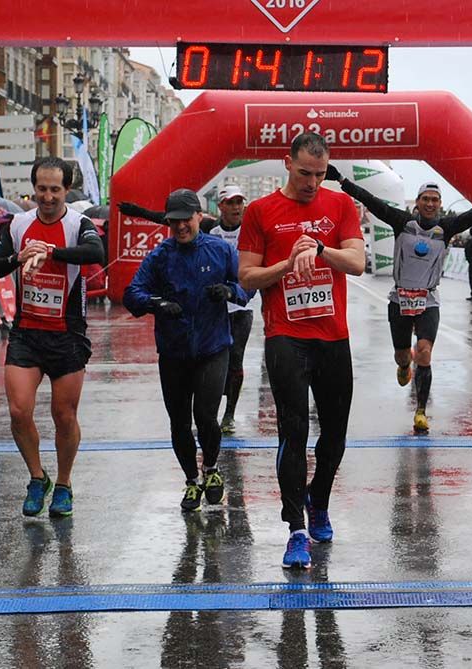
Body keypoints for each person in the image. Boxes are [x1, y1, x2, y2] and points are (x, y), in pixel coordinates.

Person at [237, 133, 365, 569]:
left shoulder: (340, 206)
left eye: (320, 174)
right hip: (286, 337)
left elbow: (358, 263)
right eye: (305, 173)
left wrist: (321, 249)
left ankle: (319, 499)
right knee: (292, 432)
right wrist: (287, 264)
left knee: (334, 434)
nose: (312, 183)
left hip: (333, 337)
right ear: (287, 163)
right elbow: (248, 278)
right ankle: (294, 529)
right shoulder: (260, 211)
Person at [326, 165, 472, 433]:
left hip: (428, 301)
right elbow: (370, 200)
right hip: (399, 299)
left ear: (440, 204)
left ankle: (420, 411)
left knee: (425, 351)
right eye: (425, 199)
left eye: (435, 200)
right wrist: (341, 179)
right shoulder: (402, 222)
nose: (430, 204)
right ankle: (404, 363)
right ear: (418, 203)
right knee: (402, 356)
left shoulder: (447, 227)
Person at [0, 157, 104, 517]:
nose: (48, 197)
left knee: (63, 415)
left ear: (66, 189)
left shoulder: (77, 223)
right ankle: (38, 477)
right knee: (19, 411)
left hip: (67, 335)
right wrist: (19, 258)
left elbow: (96, 253)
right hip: (27, 333)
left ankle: (64, 484)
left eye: (55, 189)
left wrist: (52, 253)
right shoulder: (20, 224)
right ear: (33, 188)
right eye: (42, 189)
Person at [124, 189, 248, 512]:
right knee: (179, 422)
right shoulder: (160, 256)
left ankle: (211, 469)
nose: (181, 228)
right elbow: (132, 293)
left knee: (206, 415)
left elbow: (247, 284)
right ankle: (192, 480)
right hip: (174, 352)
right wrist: (157, 304)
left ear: (199, 217)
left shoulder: (220, 250)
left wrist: (230, 290)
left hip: (213, 347)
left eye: (186, 220)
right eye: (174, 222)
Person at [204, 185, 256, 435]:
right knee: (211, 361)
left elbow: (256, 270)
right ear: (221, 206)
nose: (237, 207)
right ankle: (211, 411)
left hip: (241, 309)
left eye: (240, 202)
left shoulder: (251, 232)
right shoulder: (210, 232)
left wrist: (243, 294)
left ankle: (229, 414)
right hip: (214, 309)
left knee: (235, 360)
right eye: (231, 203)